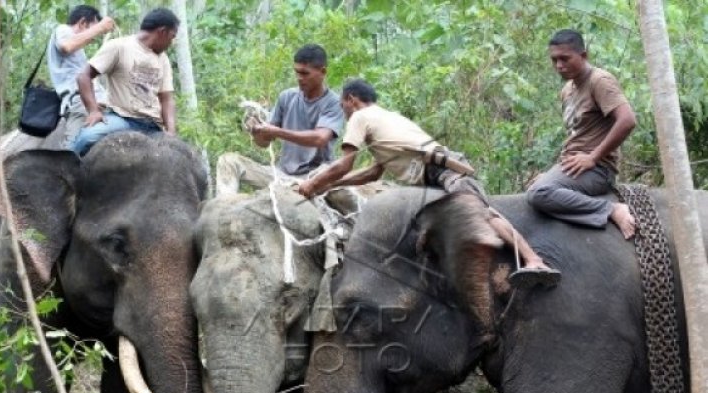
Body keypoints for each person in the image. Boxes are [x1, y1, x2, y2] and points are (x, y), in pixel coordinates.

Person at [298, 79, 560, 286]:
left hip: (441, 171)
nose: (343, 111)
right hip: (434, 173)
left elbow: (345, 164)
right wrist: (329, 185)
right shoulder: (389, 118)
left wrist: (312, 185)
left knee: (483, 213)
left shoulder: (359, 117)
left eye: (343, 105)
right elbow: (372, 173)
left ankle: (533, 259)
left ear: (350, 99)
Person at [527, 29, 637, 239]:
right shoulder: (567, 89)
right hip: (574, 167)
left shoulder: (600, 81)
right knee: (539, 186)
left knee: (539, 193)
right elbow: (577, 136)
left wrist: (593, 157)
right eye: (554, 60)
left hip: (598, 170)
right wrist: (553, 173)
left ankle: (611, 209)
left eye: (565, 58)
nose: (559, 65)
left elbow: (627, 120)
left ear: (584, 55)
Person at [216, 44, 344, 193]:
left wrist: (276, 131)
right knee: (229, 161)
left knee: (332, 182)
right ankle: (224, 207)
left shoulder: (334, 102)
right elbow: (264, 143)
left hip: (314, 177)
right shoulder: (287, 96)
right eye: (297, 73)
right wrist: (257, 130)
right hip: (281, 175)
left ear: (322, 72)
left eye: (305, 73)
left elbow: (320, 139)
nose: (299, 78)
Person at [73, 8, 179, 156]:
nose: (172, 42)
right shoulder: (119, 46)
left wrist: (171, 131)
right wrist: (93, 111)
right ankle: (65, 176)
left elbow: (166, 98)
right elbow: (83, 76)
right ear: (162, 32)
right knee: (85, 138)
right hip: (121, 119)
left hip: (153, 126)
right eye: (172, 36)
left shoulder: (163, 59)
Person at [46, 5, 115, 149]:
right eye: (92, 27)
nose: (92, 38)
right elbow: (67, 46)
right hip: (80, 104)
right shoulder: (63, 30)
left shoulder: (79, 51)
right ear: (83, 22)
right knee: (70, 155)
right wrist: (101, 28)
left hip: (99, 102)